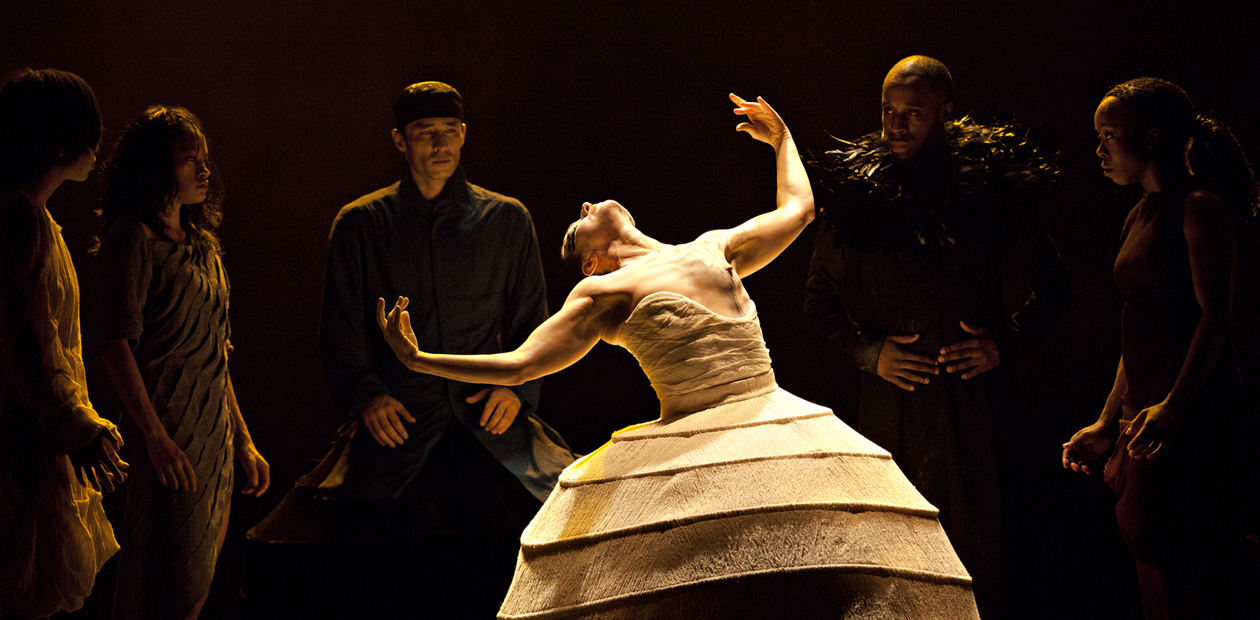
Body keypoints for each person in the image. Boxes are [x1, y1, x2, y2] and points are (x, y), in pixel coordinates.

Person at [379, 94, 981, 619]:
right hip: (697, 444)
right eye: (576, 222)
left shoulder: (712, 246)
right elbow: (519, 364)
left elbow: (797, 211)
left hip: (775, 427)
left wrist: (782, 140)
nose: (587, 205)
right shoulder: (602, 293)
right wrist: (420, 359)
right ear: (590, 261)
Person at [245, 81, 573, 617]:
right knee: (328, 551)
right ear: (401, 141)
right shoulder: (361, 224)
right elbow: (340, 327)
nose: (440, 145)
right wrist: (368, 396)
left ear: (464, 135)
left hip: (490, 414)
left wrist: (517, 388)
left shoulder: (506, 219)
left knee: (570, 511)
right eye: (425, 134)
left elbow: (537, 320)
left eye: (449, 132)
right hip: (400, 416)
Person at [803, 55, 1071, 617]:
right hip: (894, 408)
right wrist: (870, 353)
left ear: (944, 114)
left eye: (913, 114)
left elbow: (1054, 284)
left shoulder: (988, 188)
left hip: (978, 408)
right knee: (903, 549)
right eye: (888, 112)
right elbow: (818, 301)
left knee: (988, 546)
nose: (896, 126)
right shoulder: (858, 195)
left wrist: (1003, 342)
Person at [1061, 77, 1256, 619]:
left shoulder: (1199, 207)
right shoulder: (1139, 213)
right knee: (1149, 558)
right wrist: (1107, 420)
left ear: (1150, 137)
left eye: (1109, 135)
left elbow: (1216, 318)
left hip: (1189, 418)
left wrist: (1174, 407)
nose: (1099, 149)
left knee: (1188, 566)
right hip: (1143, 416)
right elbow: (1139, 326)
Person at [95, 105, 270, 620]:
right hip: (168, 432)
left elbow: (216, 353)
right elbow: (114, 343)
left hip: (211, 435)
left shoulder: (202, 246)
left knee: (196, 590)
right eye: (188, 160)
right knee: (165, 588)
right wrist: (153, 436)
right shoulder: (132, 238)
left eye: (204, 160)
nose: (203, 171)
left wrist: (242, 438)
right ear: (155, 168)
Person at [0, 68, 126, 619]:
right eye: (88, 131)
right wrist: (75, 422)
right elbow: (25, 340)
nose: (97, 146)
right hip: (18, 443)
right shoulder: (18, 218)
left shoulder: (36, 218)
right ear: (58, 140)